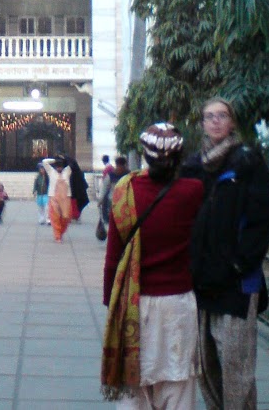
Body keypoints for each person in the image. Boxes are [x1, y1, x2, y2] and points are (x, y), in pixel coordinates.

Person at [102, 122, 204, 408]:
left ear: (145, 155)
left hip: (135, 306)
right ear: (178, 156)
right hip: (179, 306)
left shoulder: (125, 191)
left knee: (135, 391)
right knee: (178, 386)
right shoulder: (194, 191)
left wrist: (112, 303)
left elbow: (113, 259)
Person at [184, 97, 269, 410]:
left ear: (232, 121)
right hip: (203, 280)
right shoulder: (193, 167)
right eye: (209, 116)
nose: (216, 121)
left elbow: (261, 221)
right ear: (202, 123)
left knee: (236, 364)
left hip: (237, 282)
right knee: (207, 364)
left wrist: (239, 264)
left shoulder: (247, 163)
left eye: (222, 115)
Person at [42, 155, 72, 242]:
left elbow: (73, 162)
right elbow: (45, 162)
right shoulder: (51, 172)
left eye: (61, 166)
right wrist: (54, 160)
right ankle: (57, 235)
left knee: (66, 217)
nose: (59, 169)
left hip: (66, 197)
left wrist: (64, 158)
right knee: (55, 217)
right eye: (58, 167)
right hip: (54, 197)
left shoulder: (67, 171)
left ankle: (61, 232)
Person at [99, 155, 128, 225]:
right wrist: (101, 199)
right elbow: (105, 187)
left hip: (114, 199)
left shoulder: (111, 175)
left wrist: (101, 199)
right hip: (121, 200)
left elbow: (104, 187)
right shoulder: (129, 174)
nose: (120, 168)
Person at [66, 154, 89, 221]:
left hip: (74, 193)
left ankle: (74, 216)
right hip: (75, 192)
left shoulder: (74, 173)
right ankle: (74, 216)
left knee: (74, 203)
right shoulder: (77, 172)